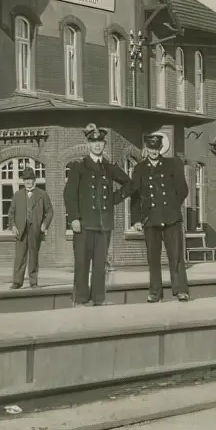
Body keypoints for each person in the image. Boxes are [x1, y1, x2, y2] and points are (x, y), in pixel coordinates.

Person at [63, 124, 135, 307]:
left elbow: (129, 184)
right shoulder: (79, 167)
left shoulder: (109, 167)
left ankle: (98, 298)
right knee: (81, 263)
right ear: (88, 144)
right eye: (93, 142)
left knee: (99, 264)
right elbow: (69, 194)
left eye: (100, 142)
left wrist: (113, 199)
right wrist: (74, 218)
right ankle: (80, 299)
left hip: (104, 224)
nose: (97, 145)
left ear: (104, 144)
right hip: (84, 223)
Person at [129, 133, 191, 302]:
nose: (153, 152)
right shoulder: (140, 168)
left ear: (160, 148)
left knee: (176, 256)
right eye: (150, 148)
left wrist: (172, 205)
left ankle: (181, 290)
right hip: (150, 219)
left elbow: (183, 190)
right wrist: (136, 220)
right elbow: (134, 196)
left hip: (171, 219)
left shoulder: (172, 165)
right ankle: (155, 292)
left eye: (156, 148)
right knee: (153, 258)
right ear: (146, 149)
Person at [10, 166, 53, 290]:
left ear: (35, 180)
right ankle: (17, 282)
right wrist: (13, 226)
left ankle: (33, 282)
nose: (29, 182)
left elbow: (50, 211)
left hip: (35, 230)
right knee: (19, 256)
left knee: (33, 256)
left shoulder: (42, 194)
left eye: (31, 179)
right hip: (21, 230)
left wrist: (45, 224)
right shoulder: (17, 195)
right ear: (23, 181)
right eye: (26, 179)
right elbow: (11, 213)